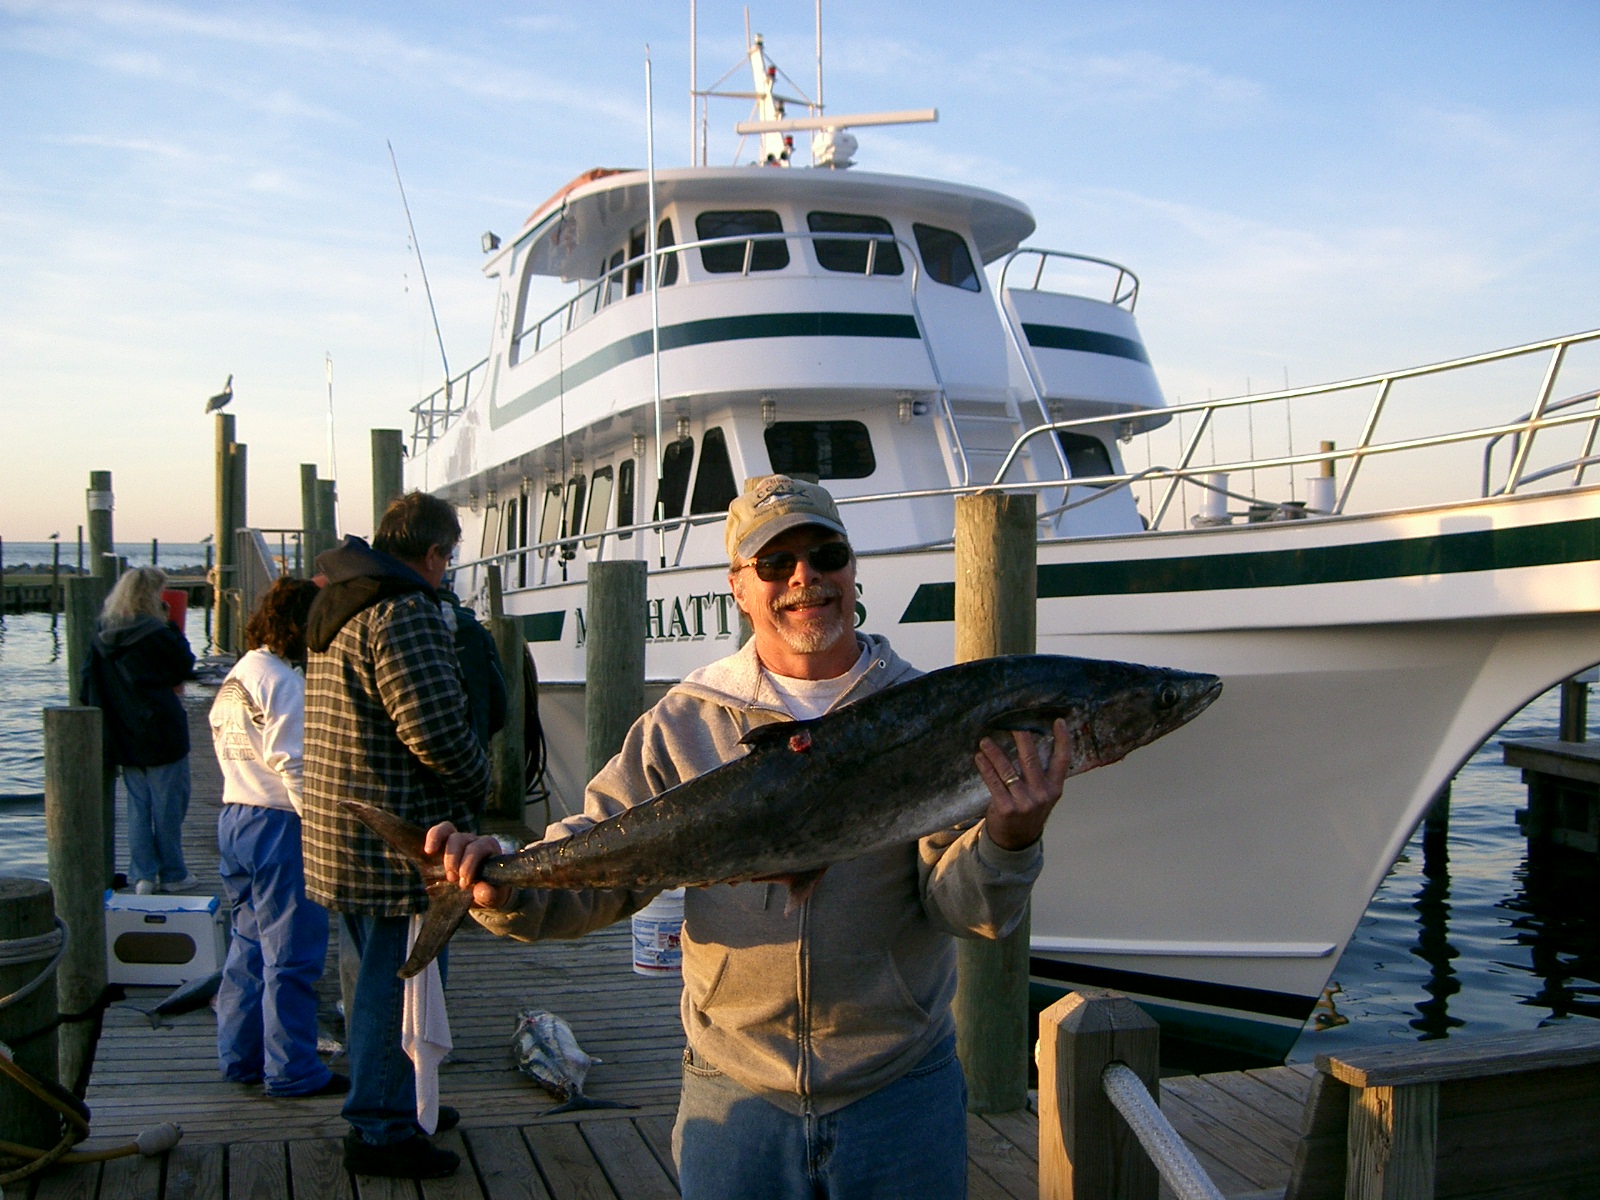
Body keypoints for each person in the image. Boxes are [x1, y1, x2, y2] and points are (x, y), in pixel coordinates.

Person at [433, 474, 1072, 1200]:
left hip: (899, 1091)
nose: (806, 579)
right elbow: (602, 857)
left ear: (853, 570)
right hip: (734, 1094)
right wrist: (503, 884)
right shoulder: (684, 724)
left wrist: (1010, 839)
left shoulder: (927, 712)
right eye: (775, 564)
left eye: (826, 555)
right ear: (739, 587)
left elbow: (962, 908)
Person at [299, 491, 490, 1180]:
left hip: (339, 835)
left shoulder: (342, 603)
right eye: (448, 557)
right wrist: (483, 779)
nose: (446, 571)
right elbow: (435, 730)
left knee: (377, 980)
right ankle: (381, 1130)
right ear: (435, 553)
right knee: (394, 984)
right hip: (396, 843)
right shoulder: (402, 610)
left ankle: (407, 1103)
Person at [209, 576, 345, 1099]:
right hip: (279, 824)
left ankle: (240, 1056)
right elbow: (296, 763)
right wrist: (322, 826)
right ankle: (292, 1070)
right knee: (292, 954)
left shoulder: (237, 675)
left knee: (246, 944)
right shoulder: (285, 682)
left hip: (235, 816)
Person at [80, 565, 198, 895]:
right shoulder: (156, 632)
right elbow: (183, 666)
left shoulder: (103, 633)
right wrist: (171, 623)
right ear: (152, 595)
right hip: (162, 728)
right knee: (169, 804)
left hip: (123, 729)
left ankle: (143, 874)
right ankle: (173, 873)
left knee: (138, 804)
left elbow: (87, 680)